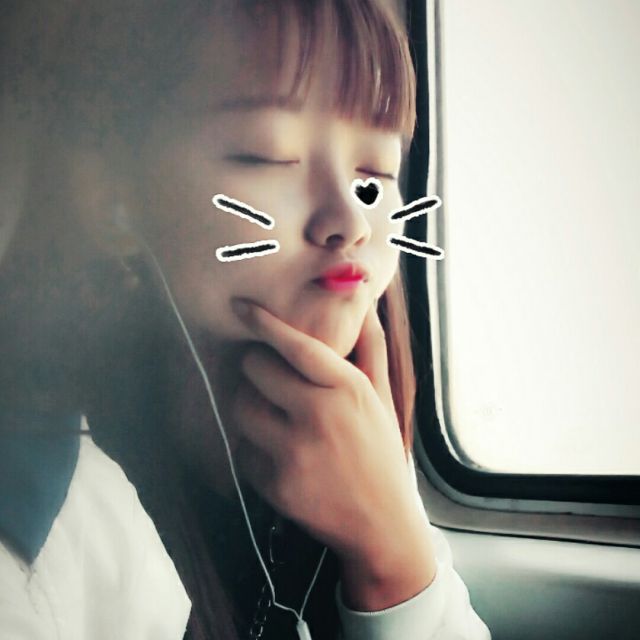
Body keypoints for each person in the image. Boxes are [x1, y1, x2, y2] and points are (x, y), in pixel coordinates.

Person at [0, 1, 491, 638]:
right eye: (264, 156)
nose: (350, 218)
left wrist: (395, 562)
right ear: (113, 197)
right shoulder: (42, 530)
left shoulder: (362, 453)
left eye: (374, 174)